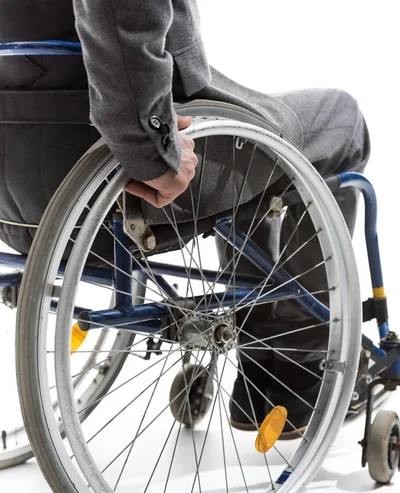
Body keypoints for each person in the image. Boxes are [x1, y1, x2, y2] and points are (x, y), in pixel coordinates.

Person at [0, 0, 370, 436]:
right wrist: (153, 148)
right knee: (341, 121)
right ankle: (296, 365)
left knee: (254, 149)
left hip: (18, 197)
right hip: (128, 181)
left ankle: (267, 349)